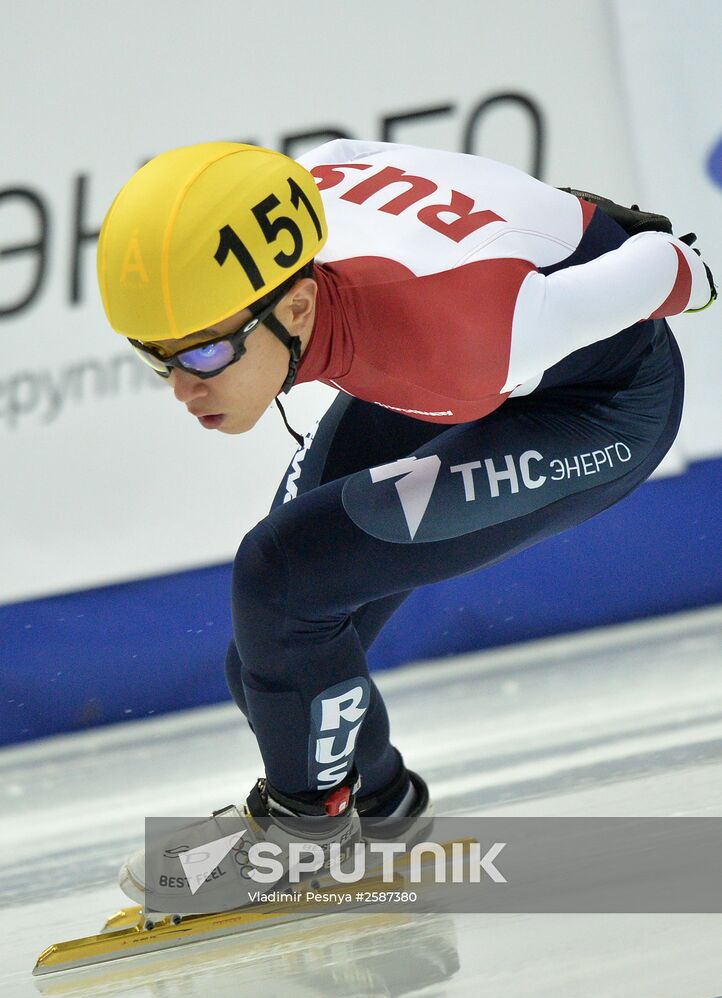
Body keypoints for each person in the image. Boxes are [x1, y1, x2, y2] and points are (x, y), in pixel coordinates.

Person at [97, 139, 716, 904]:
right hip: (455, 345)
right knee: (273, 653)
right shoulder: (310, 228)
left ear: (295, 306)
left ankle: (306, 837)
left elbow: (674, 269)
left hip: (598, 408)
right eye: (157, 358)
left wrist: (641, 248)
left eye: (207, 351)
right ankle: (381, 810)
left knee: (283, 578)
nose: (183, 388)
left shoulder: (463, 336)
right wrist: (566, 224)